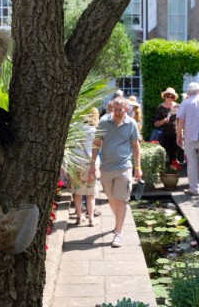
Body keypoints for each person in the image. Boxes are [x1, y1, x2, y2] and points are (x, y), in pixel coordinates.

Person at [88, 97, 142, 248]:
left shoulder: (131, 123)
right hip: (106, 167)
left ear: (126, 109)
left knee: (121, 200)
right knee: (111, 199)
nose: (118, 112)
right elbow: (97, 143)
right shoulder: (104, 122)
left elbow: (136, 146)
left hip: (124, 166)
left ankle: (118, 232)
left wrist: (138, 167)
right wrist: (92, 165)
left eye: (121, 110)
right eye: (115, 109)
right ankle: (118, 219)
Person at [176, 82, 199, 196]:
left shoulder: (185, 103)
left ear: (188, 92)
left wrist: (179, 135)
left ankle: (194, 189)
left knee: (192, 163)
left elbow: (181, 121)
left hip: (190, 137)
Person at [68, 107, 100, 226]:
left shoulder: (74, 127)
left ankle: (79, 217)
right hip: (88, 162)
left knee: (77, 192)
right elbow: (97, 147)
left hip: (74, 162)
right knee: (90, 193)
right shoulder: (94, 130)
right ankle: (91, 218)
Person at [153, 87, 180, 163]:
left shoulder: (178, 106)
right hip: (164, 134)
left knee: (174, 153)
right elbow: (155, 123)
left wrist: (181, 132)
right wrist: (163, 121)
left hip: (175, 134)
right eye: (168, 96)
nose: (170, 98)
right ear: (165, 97)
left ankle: (173, 169)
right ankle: (164, 170)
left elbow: (181, 120)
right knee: (164, 153)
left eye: (172, 97)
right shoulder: (160, 107)